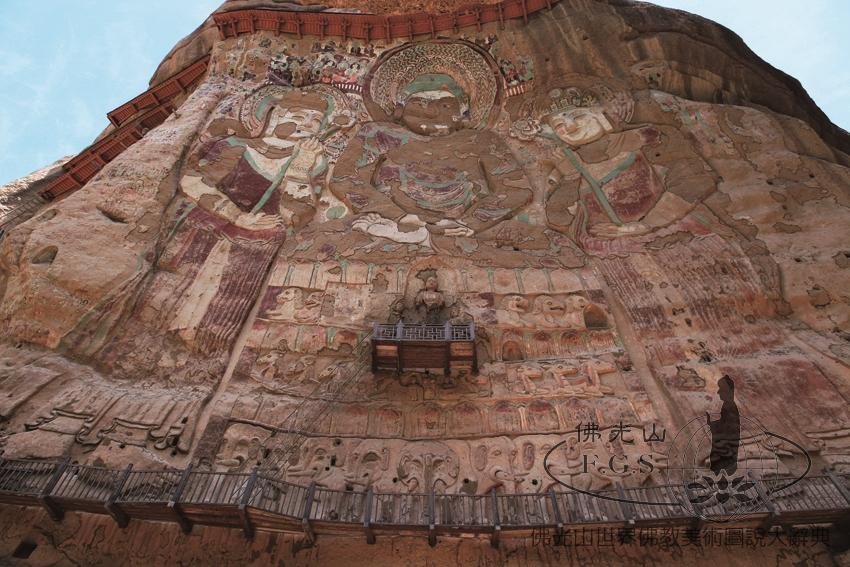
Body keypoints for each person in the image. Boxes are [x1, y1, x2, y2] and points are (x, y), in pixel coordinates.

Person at [707, 375, 741, 475]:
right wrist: (712, 424)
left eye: (721, 389)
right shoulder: (728, 405)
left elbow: (729, 428)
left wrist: (713, 426)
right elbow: (725, 423)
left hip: (728, 447)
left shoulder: (729, 406)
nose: (718, 392)